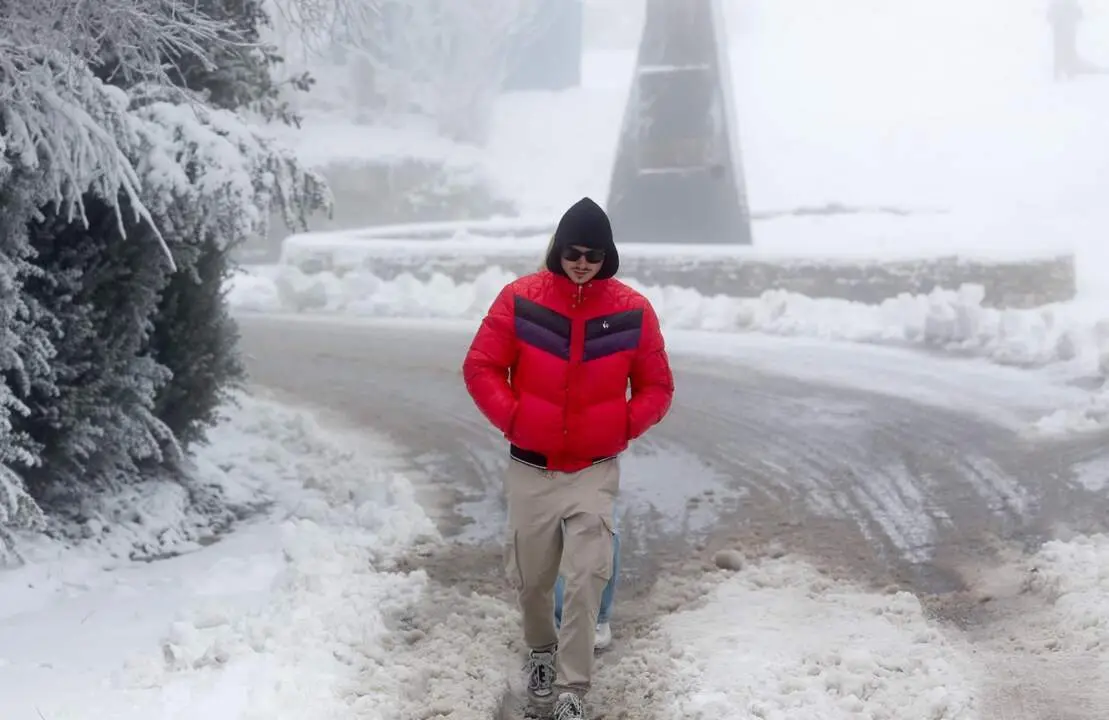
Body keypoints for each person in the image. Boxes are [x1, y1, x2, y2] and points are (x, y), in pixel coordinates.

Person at [462, 197, 674, 720]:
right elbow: (480, 366)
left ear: (609, 257)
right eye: (574, 252)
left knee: (585, 577)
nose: (583, 262)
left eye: (594, 255)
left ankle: (573, 688)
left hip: (592, 470)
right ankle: (540, 652)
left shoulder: (633, 311)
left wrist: (621, 426)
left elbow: (657, 387)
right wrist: (514, 419)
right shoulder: (519, 300)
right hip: (531, 466)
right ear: (558, 250)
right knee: (533, 580)